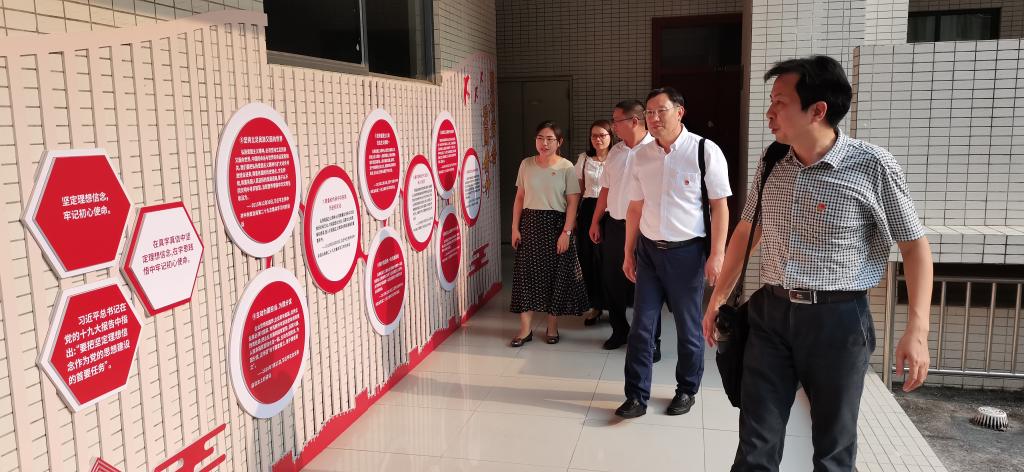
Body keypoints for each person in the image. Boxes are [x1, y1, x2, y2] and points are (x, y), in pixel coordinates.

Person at [702, 56, 933, 471]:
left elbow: (915, 247)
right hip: (770, 315)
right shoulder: (772, 160)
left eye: (780, 102)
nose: (770, 111)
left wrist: (917, 328)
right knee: (755, 444)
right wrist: (718, 298)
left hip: (838, 321)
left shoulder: (873, 165)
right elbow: (747, 230)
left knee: (833, 449)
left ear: (818, 110)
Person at [616, 87, 732, 419]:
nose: (653, 118)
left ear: (679, 112)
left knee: (688, 327)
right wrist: (628, 252)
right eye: (649, 113)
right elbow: (635, 208)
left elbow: (719, 206)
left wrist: (717, 254)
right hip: (649, 252)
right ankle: (636, 395)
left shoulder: (704, 150)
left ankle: (686, 389)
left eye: (660, 111)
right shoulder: (641, 156)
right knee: (641, 327)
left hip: (687, 254)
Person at [509, 120, 590, 347]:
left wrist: (567, 232)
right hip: (530, 224)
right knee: (526, 277)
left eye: (549, 139)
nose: (544, 143)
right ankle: (525, 330)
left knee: (556, 277)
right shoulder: (526, 164)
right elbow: (519, 197)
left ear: (559, 142)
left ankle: (552, 326)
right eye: (540, 138)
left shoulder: (566, 167)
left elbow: (573, 202)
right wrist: (514, 227)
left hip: (556, 226)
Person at [588, 101, 659, 352]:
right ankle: (619, 331)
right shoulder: (616, 152)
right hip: (615, 225)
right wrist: (596, 220)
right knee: (612, 280)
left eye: (617, 121)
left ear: (634, 121)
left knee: (646, 285)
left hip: (645, 228)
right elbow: (605, 189)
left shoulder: (655, 149)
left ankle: (651, 341)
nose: (613, 126)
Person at [576, 120, 612, 325]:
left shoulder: (617, 157)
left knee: (610, 259)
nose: (598, 139)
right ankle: (595, 305)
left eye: (602, 135)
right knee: (589, 259)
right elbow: (578, 190)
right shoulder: (584, 159)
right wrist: (573, 216)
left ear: (611, 137)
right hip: (589, 209)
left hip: (612, 211)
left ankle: (615, 306)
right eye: (594, 136)